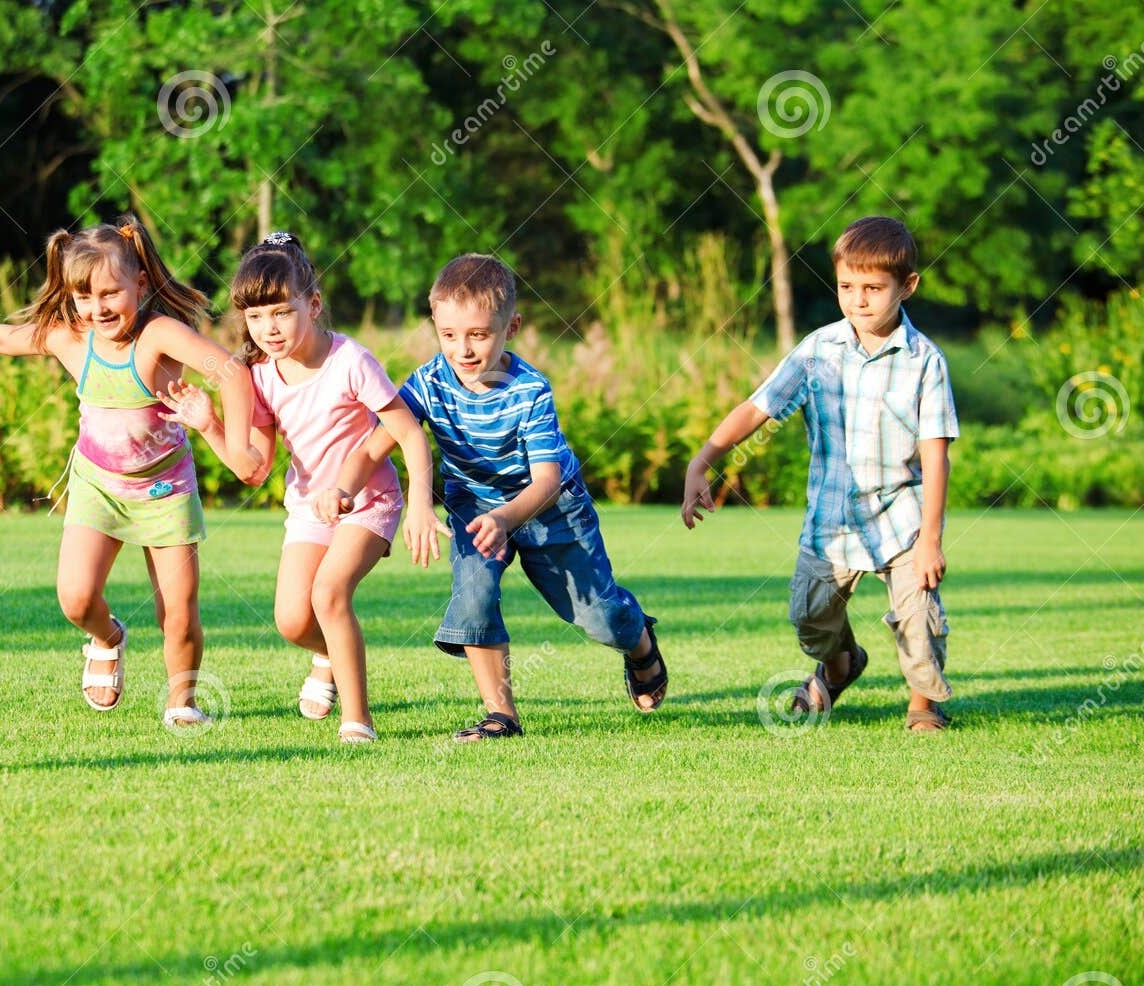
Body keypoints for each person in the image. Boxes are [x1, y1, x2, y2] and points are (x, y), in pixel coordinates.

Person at [0, 214, 254, 727]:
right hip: (98, 486)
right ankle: (108, 637)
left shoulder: (159, 335)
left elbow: (232, 371)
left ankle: (183, 702)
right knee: (76, 598)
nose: (97, 307)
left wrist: (237, 444)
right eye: (83, 297)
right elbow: (5, 338)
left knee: (177, 615)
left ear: (140, 282)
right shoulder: (71, 337)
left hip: (164, 490)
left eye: (110, 293)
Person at [331, 253, 667, 742]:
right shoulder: (428, 382)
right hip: (473, 506)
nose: (462, 349)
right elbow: (375, 445)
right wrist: (343, 487)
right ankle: (501, 716)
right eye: (448, 335)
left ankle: (640, 645)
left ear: (512, 327)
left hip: (551, 509)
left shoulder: (530, 390)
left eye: (478, 334)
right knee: (474, 598)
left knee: (600, 616)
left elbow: (547, 480)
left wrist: (506, 519)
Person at [681, 215, 957, 732]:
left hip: (902, 519)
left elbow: (936, 453)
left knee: (918, 619)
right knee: (810, 618)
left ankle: (923, 703)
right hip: (831, 521)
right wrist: (703, 460)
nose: (858, 300)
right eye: (847, 287)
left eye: (873, 288)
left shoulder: (926, 361)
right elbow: (758, 408)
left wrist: (931, 539)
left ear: (908, 286)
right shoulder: (818, 350)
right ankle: (840, 666)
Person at [163, 232, 442, 743]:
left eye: (281, 312)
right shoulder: (260, 377)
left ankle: (357, 721)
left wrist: (422, 505)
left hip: (369, 502)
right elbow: (254, 467)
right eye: (254, 317)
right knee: (292, 620)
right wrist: (208, 425)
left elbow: (407, 432)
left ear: (311, 304)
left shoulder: (349, 360)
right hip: (310, 508)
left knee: (329, 594)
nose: (268, 328)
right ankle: (328, 655)